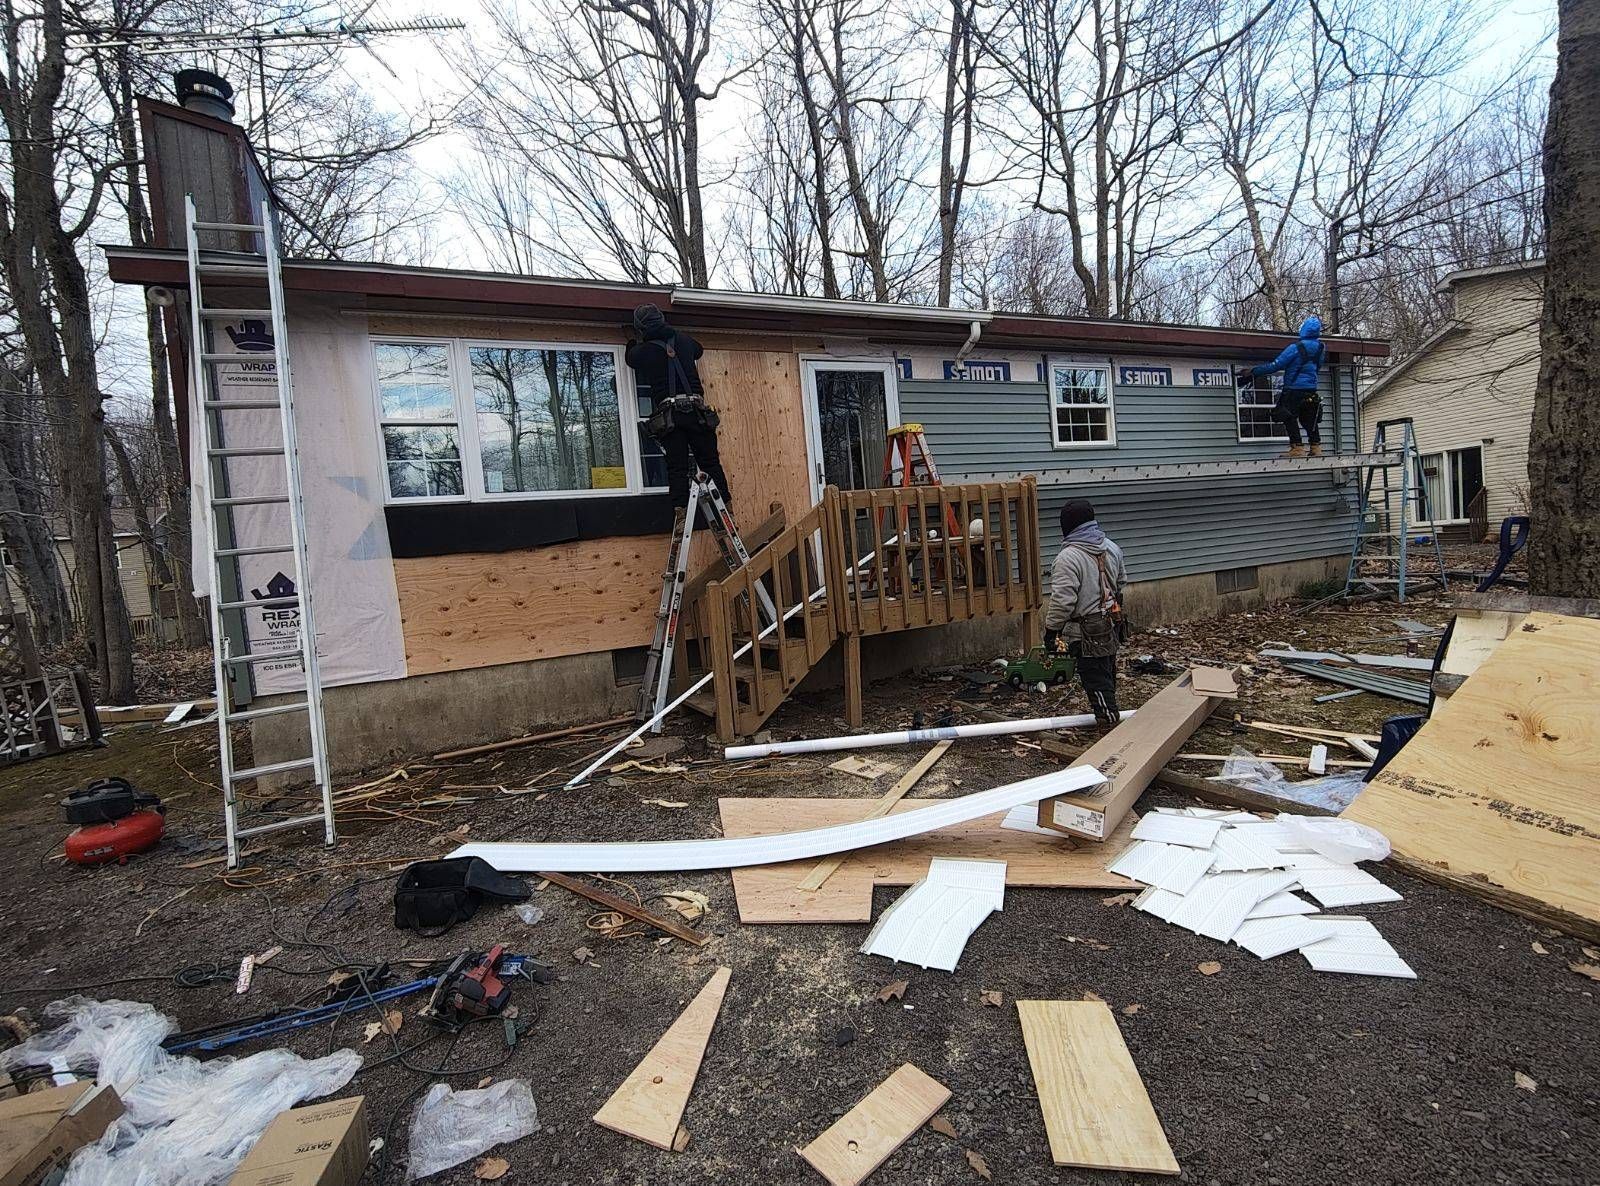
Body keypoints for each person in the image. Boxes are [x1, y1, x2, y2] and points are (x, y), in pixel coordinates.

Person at [625, 303, 732, 505]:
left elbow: (630, 358)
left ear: (641, 327)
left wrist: (632, 341)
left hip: (671, 417)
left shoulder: (644, 350)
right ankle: (726, 508)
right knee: (710, 463)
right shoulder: (683, 340)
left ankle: (681, 513)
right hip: (697, 413)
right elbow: (698, 350)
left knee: (677, 468)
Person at [1042, 499, 1127, 728]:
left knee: (1094, 676)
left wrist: (1052, 632)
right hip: (1110, 622)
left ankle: (1109, 722)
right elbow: (1120, 583)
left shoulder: (1068, 558)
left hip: (1086, 630)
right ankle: (1109, 712)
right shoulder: (1111, 547)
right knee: (1106, 670)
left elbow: (1062, 602)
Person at [1240, 315, 1326, 458]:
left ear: (1303, 330)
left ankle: (1297, 448)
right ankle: (1316, 447)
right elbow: (1317, 366)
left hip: (1294, 389)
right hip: (1311, 389)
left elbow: (1276, 365)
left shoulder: (1296, 348)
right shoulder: (1321, 348)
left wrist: (1253, 371)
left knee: (1286, 414)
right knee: (1309, 418)